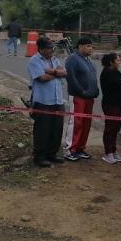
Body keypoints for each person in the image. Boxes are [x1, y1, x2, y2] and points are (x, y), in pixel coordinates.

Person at [26, 38, 66, 167]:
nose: (51, 51)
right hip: (43, 101)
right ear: (41, 49)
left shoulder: (54, 59)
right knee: (42, 130)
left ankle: (52, 154)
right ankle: (40, 156)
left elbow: (64, 73)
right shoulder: (34, 61)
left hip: (58, 100)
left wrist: (50, 71)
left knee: (57, 129)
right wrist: (56, 73)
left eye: (52, 48)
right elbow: (41, 78)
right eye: (48, 48)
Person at [63, 37, 99, 161]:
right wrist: (82, 91)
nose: (91, 48)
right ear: (80, 46)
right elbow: (71, 78)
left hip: (89, 97)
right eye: (88, 46)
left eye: (91, 46)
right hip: (78, 96)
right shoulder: (72, 59)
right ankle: (70, 149)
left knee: (86, 123)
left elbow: (92, 77)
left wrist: (95, 90)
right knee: (76, 122)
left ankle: (80, 148)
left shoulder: (88, 60)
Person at [99, 53, 121, 165]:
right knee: (110, 129)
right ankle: (108, 153)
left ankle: (113, 150)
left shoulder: (116, 72)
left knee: (116, 128)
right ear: (111, 62)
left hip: (120, 105)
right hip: (111, 105)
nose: (119, 61)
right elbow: (118, 83)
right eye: (117, 60)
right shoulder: (107, 72)